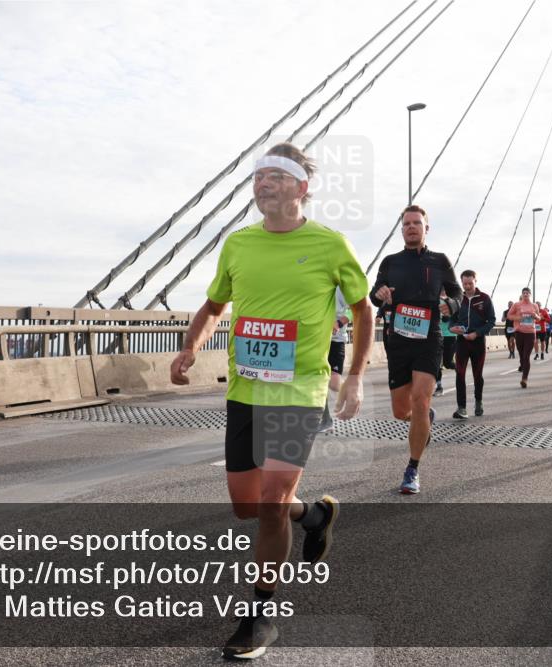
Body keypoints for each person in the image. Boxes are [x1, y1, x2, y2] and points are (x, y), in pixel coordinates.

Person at [170, 143, 373, 659]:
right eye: (257, 176)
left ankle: (260, 614)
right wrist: (191, 346)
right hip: (245, 389)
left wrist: (353, 377)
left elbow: (363, 311)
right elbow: (214, 305)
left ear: (301, 188)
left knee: (271, 503)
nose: (261, 183)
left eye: (274, 176)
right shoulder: (238, 245)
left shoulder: (331, 245)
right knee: (248, 506)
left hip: (300, 390)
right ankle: (315, 517)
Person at [371, 204, 460, 494]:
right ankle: (423, 419)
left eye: (416, 223)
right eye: (407, 223)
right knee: (401, 411)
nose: (411, 227)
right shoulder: (390, 261)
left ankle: (412, 468)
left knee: (421, 399)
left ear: (426, 228)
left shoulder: (439, 261)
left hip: (429, 338)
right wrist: (380, 294)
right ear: (402, 229)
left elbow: (457, 292)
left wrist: (452, 304)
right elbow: (375, 294)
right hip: (397, 339)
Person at [447, 270, 496, 418]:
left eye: (470, 283)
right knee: (460, 373)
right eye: (465, 283)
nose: (467, 286)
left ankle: (478, 401)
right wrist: (452, 328)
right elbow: (451, 319)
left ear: (476, 281)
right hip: (461, 342)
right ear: (461, 283)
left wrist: (477, 333)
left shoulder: (484, 298)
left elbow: (492, 321)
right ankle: (461, 408)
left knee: (477, 374)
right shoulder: (457, 299)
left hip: (478, 341)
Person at [319, 287, 350, 431]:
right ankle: (325, 420)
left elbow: (353, 311)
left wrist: (338, 323)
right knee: (320, 379)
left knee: (334, 384)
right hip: (318, 340)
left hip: (336, 340)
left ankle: (351, 388)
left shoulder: (341, 288)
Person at [507, 288, 541, 388]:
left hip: (530, 333)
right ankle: (522, 365)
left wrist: (535, 316)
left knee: (526, 356)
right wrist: (518, 318)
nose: (525, 294)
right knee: (522, 356)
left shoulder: (534, 305)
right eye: (524, 293)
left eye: (527, 293)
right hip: (519, 332)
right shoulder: (517, 305)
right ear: (522, 294)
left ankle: (524, 379)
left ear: (530, 294)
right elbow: (509, 316)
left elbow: (539, 318)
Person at [434, 292, 457, 396]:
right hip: (436, 335)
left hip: (450, 336)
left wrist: (451, 317)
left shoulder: (452, 301)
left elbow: (458, 315)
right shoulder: (432, 301)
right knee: (436, 363)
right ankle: (439, 387)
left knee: (448, 363)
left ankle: (459, 369)